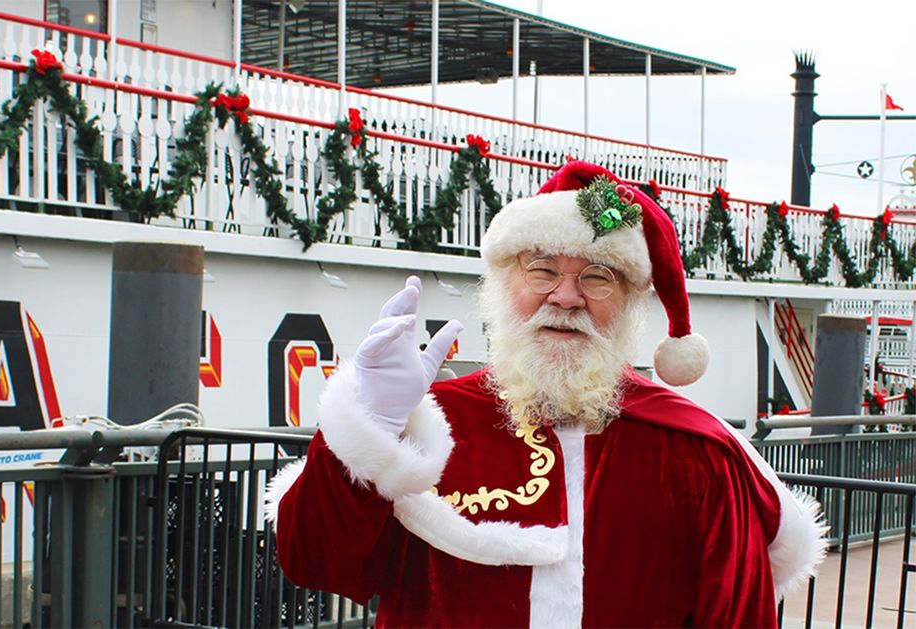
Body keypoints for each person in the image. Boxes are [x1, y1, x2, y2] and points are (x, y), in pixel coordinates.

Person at [264, 161, 826, 627]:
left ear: (630, 303)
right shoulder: (433, 419)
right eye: (542, 270)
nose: (566, 296)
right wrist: (369, 427)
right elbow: (315, 562)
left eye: (598, 276)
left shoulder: (695, 452)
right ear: (506, 285)